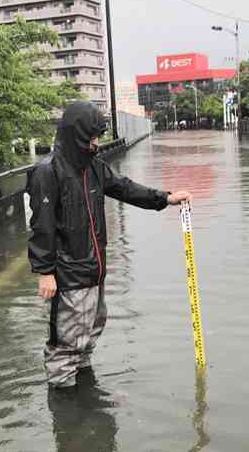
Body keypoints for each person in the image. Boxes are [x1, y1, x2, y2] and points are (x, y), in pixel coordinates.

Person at [28, 101, 191, 389]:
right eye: (92, 137)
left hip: (95, 269)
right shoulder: (48, 172)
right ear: (76, 135)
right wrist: (45, 271)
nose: (96, 143)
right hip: (69, 275)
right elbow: (42, 224)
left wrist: (164, 198)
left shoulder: (93, 168)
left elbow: (124, 187)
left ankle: (84, 384)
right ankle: (67, 409)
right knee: (67, 340)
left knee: (92, 327)